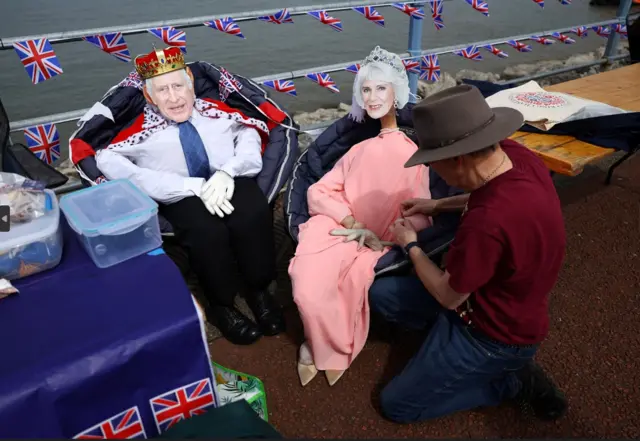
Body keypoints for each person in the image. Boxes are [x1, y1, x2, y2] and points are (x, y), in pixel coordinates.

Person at [369, 84, 568, 423]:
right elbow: (483, 191)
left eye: (434, 163)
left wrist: (411, 244)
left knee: (396, 405)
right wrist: (437, 204)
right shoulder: (515, 156)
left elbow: (448, 295)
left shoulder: (486, 224)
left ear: (459, 158)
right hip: (489, 299)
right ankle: (441, 349)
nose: (433, 171)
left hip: (493, 333)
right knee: (382, 294)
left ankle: (510, 382)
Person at [94, 47, 285, 345]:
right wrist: (184, 187)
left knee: (253, 212)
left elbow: (249, 132)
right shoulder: (138, 131)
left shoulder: (216, 112)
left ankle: (259, 290)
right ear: (149, 97)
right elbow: (107, 161)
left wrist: (229, 171)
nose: (174, 97)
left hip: (226, 178)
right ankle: (221, 305)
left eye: (178, 86)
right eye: (163, 90)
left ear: (191, 85)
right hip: (180, 191)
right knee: (206, 232)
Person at [288, 46, 434, 387]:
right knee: (305, 285)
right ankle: (320, 342)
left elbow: (421, 213)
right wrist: (351, 222)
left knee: (350, 280)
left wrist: (385, 238)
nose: (371, 97)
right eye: (365, 89)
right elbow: (317, 191)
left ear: (397, 91)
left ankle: (329, 347)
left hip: (380, 240)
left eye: (380, 88)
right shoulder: (357, 150)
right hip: (339, 227)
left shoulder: (414, 157)